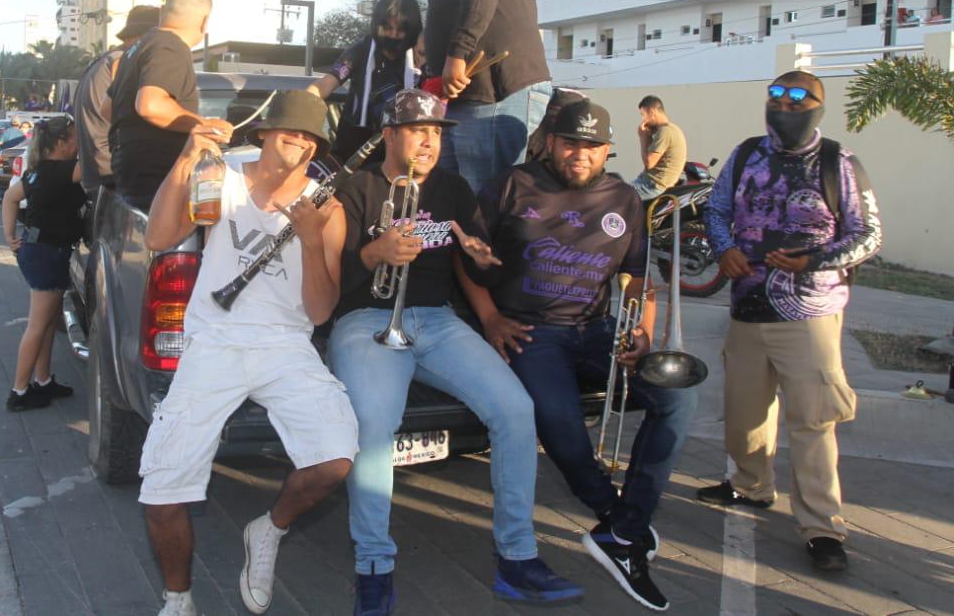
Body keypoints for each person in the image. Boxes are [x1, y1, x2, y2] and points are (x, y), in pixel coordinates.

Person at [328, 88, 582, 615]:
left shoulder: (454, 189)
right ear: (390, 135)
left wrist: (485, 272)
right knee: (374, 424)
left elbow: (473, 263)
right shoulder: (356, 187)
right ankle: (373, 564)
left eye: (437, 134)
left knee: (516, 411)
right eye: (418, 131)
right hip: (366, 319)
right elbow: (329, 280)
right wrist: (374, 252)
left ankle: (517, 558)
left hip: (437, 320)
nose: (428, 143)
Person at [466, 98, 696, 611]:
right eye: (571, 141)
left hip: (596, 328)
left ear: (608, 150)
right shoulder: (512, 184)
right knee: (557, 420)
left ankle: (623, 529)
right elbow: (468, 255)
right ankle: (617, 520)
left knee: (677, 400)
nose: (580, 153)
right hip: (531, 330)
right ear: (551, 141)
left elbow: (637, 277)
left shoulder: (624, 199)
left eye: (592, 145)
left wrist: (641, 329)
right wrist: (489, 317)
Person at [138, 90, 355, 616]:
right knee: (163, 490)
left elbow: (321, 312)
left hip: (285, 344)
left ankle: (269, 529)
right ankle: (178, 599)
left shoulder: (326, 206)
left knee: (334, 460)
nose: (299, 142)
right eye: (290, 131)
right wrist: (187, 156)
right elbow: (159, 234)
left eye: (310, 137)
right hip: (214, 340)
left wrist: (307, 239)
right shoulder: (222, 177)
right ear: (263, 132)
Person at [698, 70, 882, 573]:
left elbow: (868, 235)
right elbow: (715, 210)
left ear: (820, 106)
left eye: (799, 97)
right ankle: (751, 486)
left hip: (811, 315)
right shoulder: (744, 154)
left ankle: (822, 527)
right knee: (744, 416)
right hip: (748, 310)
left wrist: (814, 260)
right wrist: (725, 248)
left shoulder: (838, 162)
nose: (785, 104)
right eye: (776, 95)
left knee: (814, 422)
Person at [395, 0, 553, 195]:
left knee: (485, 204)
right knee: (459, 202)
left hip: (495, 91)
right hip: (472, 96)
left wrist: (458, 53)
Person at [105, 0, 233, 210]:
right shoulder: (170, 46)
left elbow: (106, 110)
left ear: (163, 10)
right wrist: (203, 125)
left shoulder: (137, 48)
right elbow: (150, 105)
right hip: (156, 177)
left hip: (128, 174)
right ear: (205, 21)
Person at [0, 115, 86, 411]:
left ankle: (43, 381)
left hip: (39, 251)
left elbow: (10, 199)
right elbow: (102, 166)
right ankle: (19, 392)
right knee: (38, 325)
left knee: (48, 323)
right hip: (47, 253)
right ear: (62, 144)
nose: (79, 144)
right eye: (76, 138)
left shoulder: (39, 172)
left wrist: (10, 235)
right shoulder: (60, 171)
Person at [306, 0, 423, 163]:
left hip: (402, 147)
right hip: (353, 147)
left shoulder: (420, 52)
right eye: (388, 28)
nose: (393, 35)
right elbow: (326, 83)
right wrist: (301, 102)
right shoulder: (361, 50)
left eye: (401, 30)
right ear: (376, 25)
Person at [74, 4, 159, 195]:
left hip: (97, 173)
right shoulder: (122, 62)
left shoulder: (105, 61)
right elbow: (132, 113)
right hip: (113, 174)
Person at [631, 95, 687, 200]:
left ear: (652, 111)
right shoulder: (673, 129)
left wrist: (642, 136)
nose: (643, 119)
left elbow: (649, 163)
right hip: (652, 183)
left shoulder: (665, 132)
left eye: (643, 115)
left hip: (653, 187)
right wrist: (648, 136)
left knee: (616, 197)